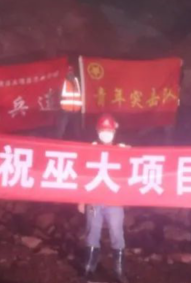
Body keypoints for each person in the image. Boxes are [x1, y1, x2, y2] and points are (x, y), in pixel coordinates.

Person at [78, 114, 128, 283]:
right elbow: (83, 176)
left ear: (114, 132)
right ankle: (88, 269)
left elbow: (130, 171)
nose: (106, 133)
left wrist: (129, 152)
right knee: (92, 233)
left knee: (117, 234)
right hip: (94, 200)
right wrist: (81, 200)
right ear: (97, 131)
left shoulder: (122, 150)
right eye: (103, 130)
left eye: (109, 130)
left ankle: (119, 271)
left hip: (115, 202)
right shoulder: (90, 150)